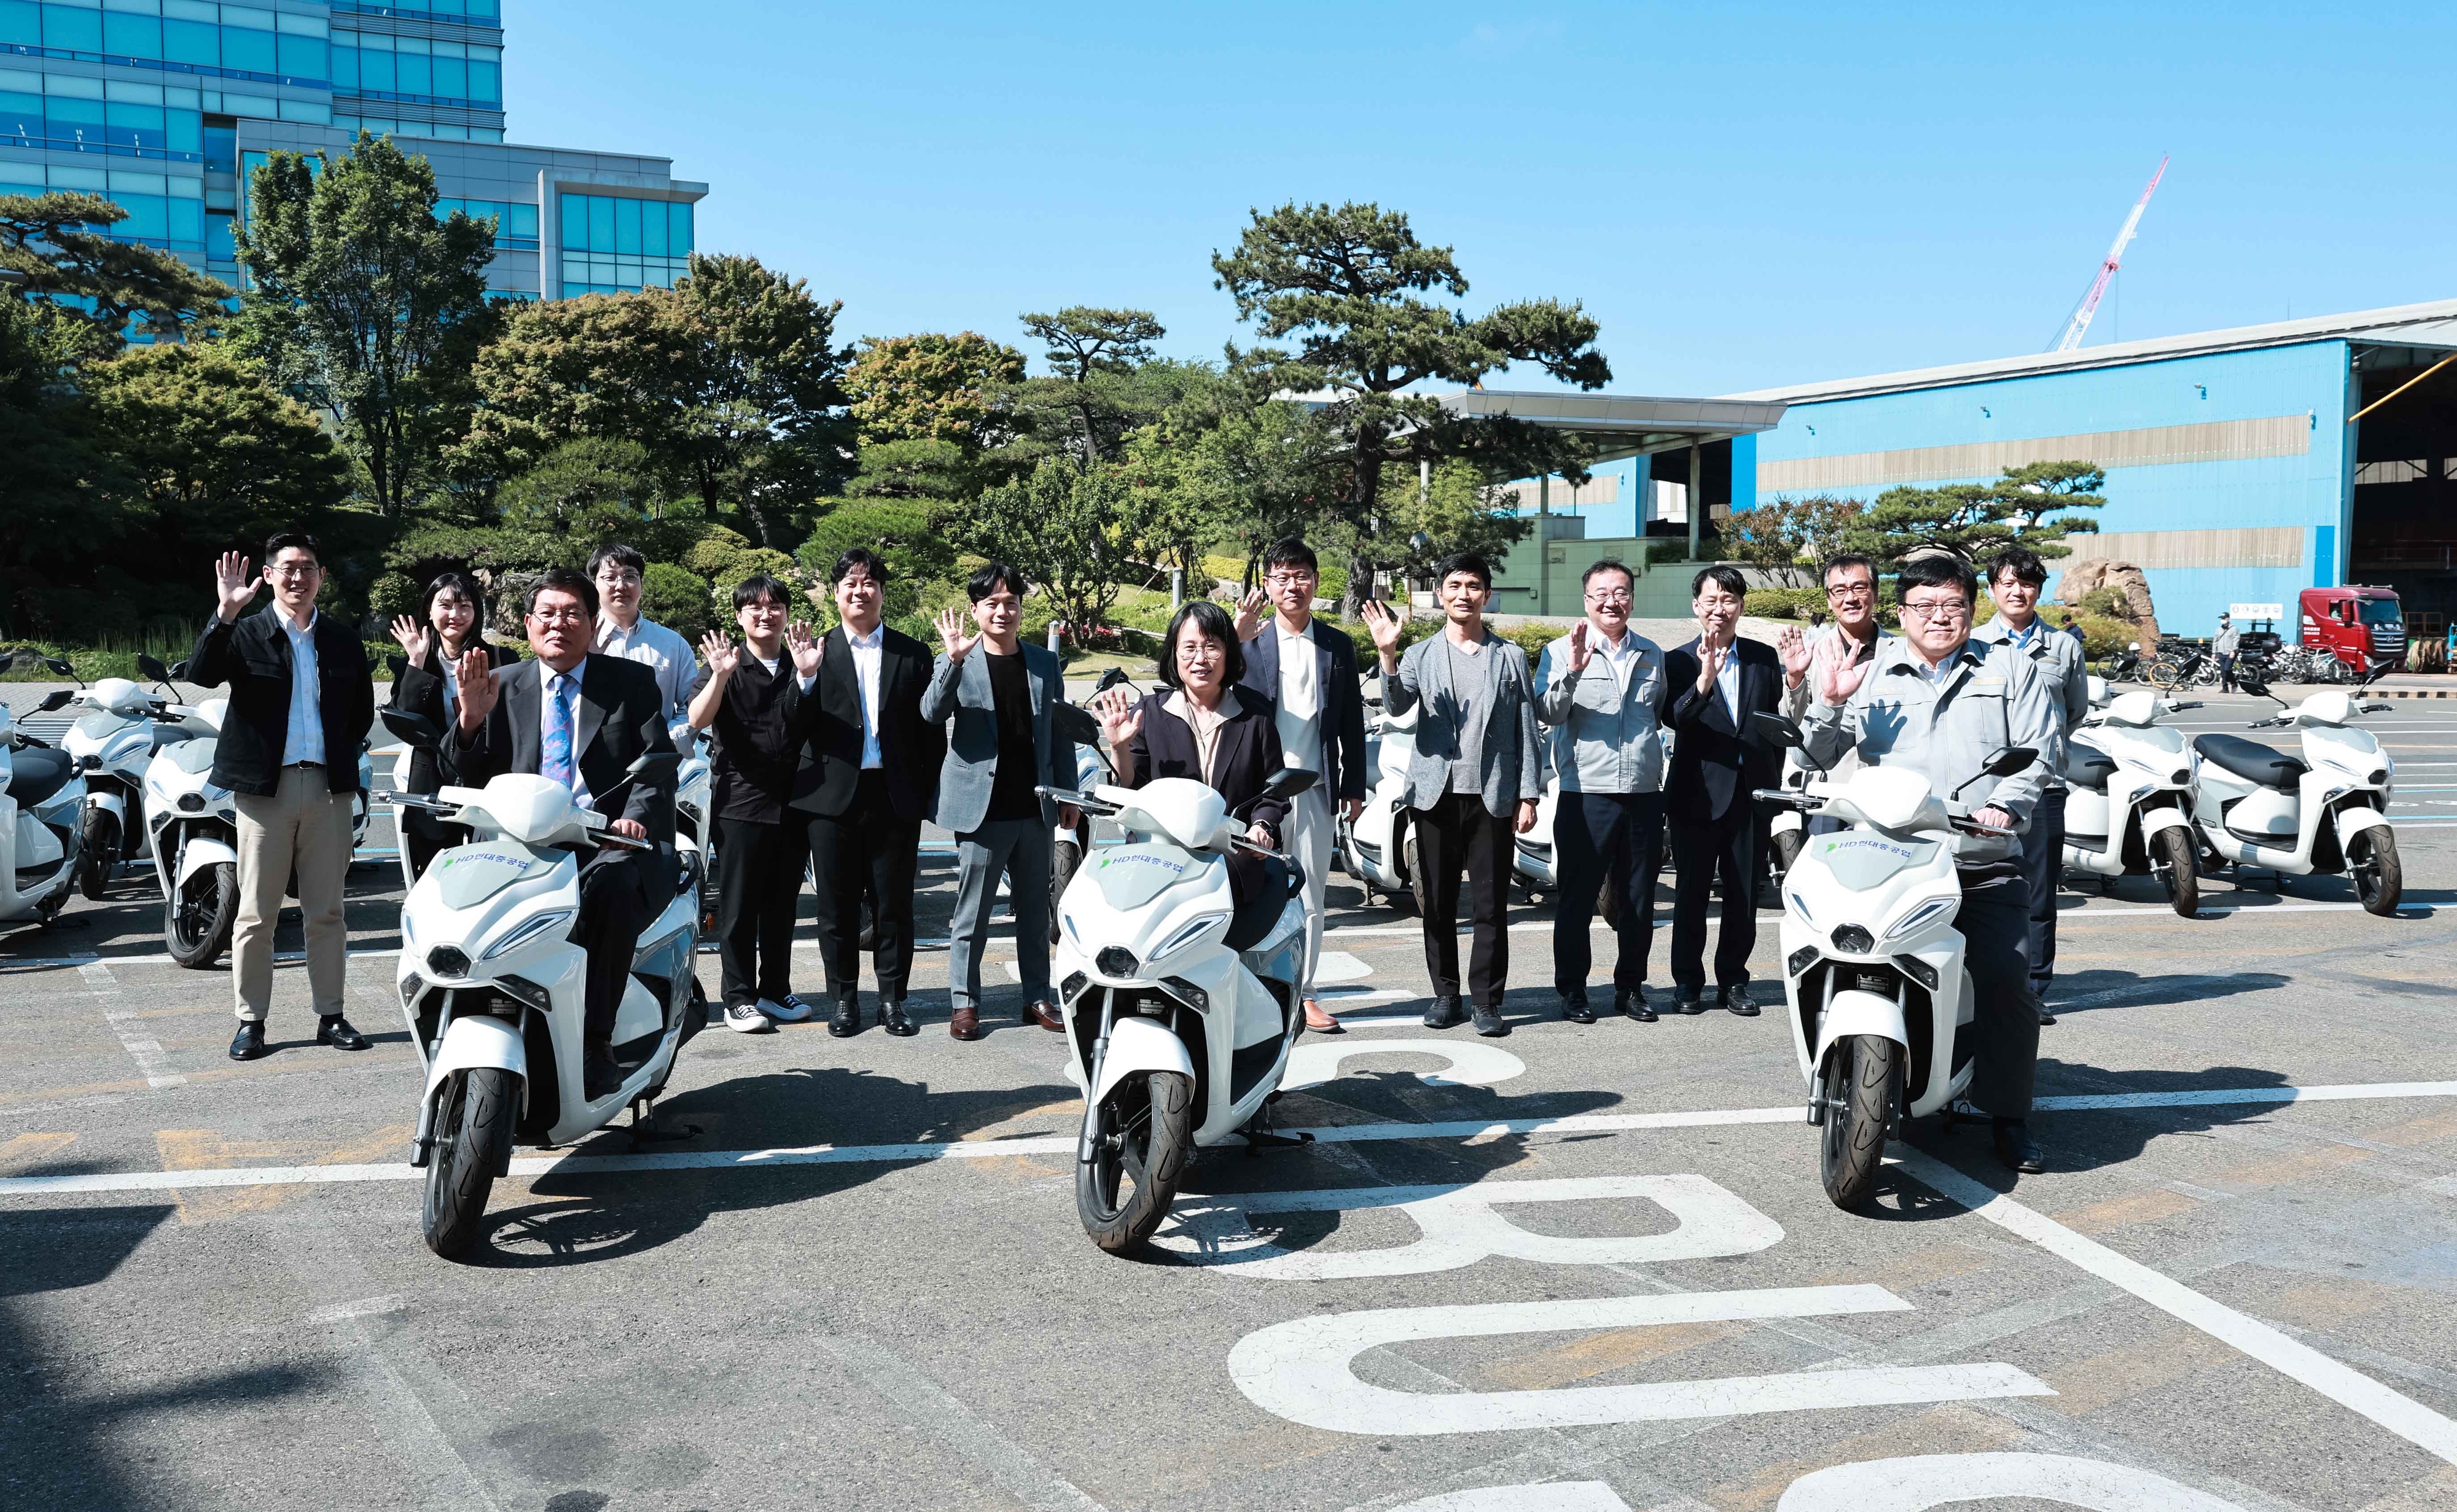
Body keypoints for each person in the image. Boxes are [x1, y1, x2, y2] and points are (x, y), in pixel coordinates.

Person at [1800, 552, 2058, 1174]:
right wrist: (1830, 701)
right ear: (1901, 612)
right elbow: (1817, 752)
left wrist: (2003, 803)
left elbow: (2040, 753)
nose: (1938, 617)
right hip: (1892, 856)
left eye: (1952, 605)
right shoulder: (1873, 669)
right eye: (1924, 605)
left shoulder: (2011, 668)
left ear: (1972, 609)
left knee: (2005, 978)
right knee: (1847, 953)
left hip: (1978, 859)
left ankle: (2008, 1114)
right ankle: (1855, 1071)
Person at [419, 567, 676, 1100]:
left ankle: (596, 1041)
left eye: (573, 613)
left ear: (592, 622)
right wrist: (468, 719)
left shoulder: (630, 683)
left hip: (607, 843)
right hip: (521, 845)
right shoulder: (502, 684)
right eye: (548, 614)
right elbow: (462, 772)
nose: (559, 624)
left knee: (611, 890)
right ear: (529, 624)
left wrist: (633, 819)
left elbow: (658, 767)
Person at [191, 532, 375, 1062]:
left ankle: (331, 1015)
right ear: (269, 575)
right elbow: (202, 675)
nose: (299, 577)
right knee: (255, 915)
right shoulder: (246, 632)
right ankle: (252, 1022)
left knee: (327, 912)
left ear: (321, 576)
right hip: (264, 792)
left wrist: (338, 754)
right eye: (289, 568)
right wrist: (224, 613)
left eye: (309, 568)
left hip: (327, 788)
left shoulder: (341, 638)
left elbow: (361, 709)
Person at [1359, 555, 1541, 1038]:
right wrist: (1388, 656)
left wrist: (1529, 794)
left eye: (1474, 586)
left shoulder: (1510, 656)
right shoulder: (1420, 655)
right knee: (1437, 902)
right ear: (1441, 594)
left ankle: (1487, 1001)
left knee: (1490, 905)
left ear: (1487, 594)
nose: (1464, 594)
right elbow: (1397, 707)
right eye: (1455, 585)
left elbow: (1526, 728)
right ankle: (1446, 994)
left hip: (1493, 796)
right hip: (1435, 795)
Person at [787, 548, 942, 1038]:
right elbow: (793, 726)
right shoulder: (816, 650)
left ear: (882, 592)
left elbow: (930, 734)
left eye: (869, 583)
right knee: (836, 907)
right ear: (836, 594)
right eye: (850, 584)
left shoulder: (912, 653)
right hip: (831, 800)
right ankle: (844, 999)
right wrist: (805, 678)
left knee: (894, 906)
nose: (861, 591)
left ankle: (894, 1000)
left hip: (894, 797)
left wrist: (924, 791)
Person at [924, 564, 1080, 1042]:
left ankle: (1037, 996)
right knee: (972, 911)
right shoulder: (958, 658)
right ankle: (965, 1004)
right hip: (981, 809)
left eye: (1010, 602)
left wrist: (1069, 792)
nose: (1002, 610)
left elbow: (1058, 732)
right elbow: (931, 712)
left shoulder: (1042, 662)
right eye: (991, 603)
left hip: (1033, 806)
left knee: (1036, 910)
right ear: (975, 610)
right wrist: (951, 662)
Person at [1093, 601, 1292, 957]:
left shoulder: (1255, 716)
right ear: (1174, 654)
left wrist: (1262, 826)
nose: (1201, 658)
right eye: (1190, 647)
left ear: (1229, 654)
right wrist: (1119, 748)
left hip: (1231, 862)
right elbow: (1130, 791)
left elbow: (1273, 793)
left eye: (1212, 646)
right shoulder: (1149, 715)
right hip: (1158, 862)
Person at [1232, 538, 1370, 1034]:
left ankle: (1305, 992)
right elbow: (1207, 692)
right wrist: (1235, 638)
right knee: (1251, 889)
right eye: (1282, 577)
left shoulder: (1336, 645)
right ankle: (1251, 988)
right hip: (1254, 793)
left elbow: (1352, 721)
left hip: (1312, 789)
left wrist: (1355, 784)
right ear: (1267, 585)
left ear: (1315, 581)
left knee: (1311, 893)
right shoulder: (1246, 645)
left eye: (1302, 575)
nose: (1293, 585)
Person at [1532, 560, 1665, 1025]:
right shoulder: (1559, 650)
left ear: (1632, 598)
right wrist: (1571, 671)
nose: (1613, 601)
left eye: (1622, 592)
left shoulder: (1652, 653)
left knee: (1638, 900)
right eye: (1602, 593)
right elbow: (1547, 713)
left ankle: (1630, 987)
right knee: (1577, 898)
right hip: (1585, 793)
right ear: (1586, 600)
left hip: (1645, 794)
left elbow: (1659, 715)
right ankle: (1573, 990)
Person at [686, 575, 814, 1035]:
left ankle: (775, 990)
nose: (766, 614)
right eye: (755, 608)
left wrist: (806, 675)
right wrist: (719, 675)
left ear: (786, 614)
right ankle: (737, 998)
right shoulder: (726, 664)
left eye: (775, 606)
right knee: (739, 906)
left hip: (795, 800)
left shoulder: (802, 660)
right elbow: (697, 719)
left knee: (783, 904)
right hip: (740, 800)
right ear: (740, 617)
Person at [1975, 545, 2092, 1023]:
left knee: (2039, 894)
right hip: (1984, 789)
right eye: (2007, 582)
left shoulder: (2064, 647)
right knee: (1979, 886)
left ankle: (2034, 987)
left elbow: (2075, 711)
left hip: (2044, 787)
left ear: (2038, 589)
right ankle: (1980, 982)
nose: (2017, 591)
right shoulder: (1975, 643)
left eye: (2026, 583)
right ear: (1992, 589)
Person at [1662, 565, 1784, 1016]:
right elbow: (1674, 718)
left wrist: (1795, 682)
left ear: (1742, 606)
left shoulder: (1762, 658)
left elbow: (1775, 726)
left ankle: (1733, 980)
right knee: (1691, 894)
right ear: (1697, 607)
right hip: (1697, 794)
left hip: (1751, 794)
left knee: (1743, 895)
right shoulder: (1676, 660)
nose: (1720, 609)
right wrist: (1704, 680)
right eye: (1711, 600)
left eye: (1729, 600)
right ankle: (1687, 983)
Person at [386, 571, 519, 878]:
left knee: (488, 872)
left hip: (487, 778)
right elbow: (404, 719)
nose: (455, 615)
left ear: (477, 612)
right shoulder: (416, 660)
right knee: (433, 874)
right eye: (445, 605)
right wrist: (416, 662)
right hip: (430, 780)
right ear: (429, 612)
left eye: (465, 606)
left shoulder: (500, 658)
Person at [1777, 553, 1886, 832]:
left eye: (1859, 588)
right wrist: (1795, 677)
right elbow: (1793, 724)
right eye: (1839, 590)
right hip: (1829, 785)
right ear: (1829, 599)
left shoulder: (1902, 652)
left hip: (1887, 788)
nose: (1850, 598)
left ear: (1874, 592)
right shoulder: (1812, 652)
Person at [589, 544, 700, 722]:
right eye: (610, 577)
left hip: (662, 747)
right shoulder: (580, 640)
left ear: (641, 582)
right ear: (594, 584)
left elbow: (693, 705)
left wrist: (665, 739)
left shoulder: (673, 643)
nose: (621, 585)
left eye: (630, 576)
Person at [2213, 611, 2241, 693]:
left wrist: (2233, 651)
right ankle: (2225, 688)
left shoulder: (2234, 629)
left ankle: (2234, 684)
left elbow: (2236, 640)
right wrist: (2214, 652)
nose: (2222, 620)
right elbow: (2215, 641)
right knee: (2223, 671)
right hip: (2221, 652)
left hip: (2230, 653)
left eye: (2224, 618)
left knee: (2227, 669)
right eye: (2221, 619)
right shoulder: (2218, 630)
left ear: (2228, 619)